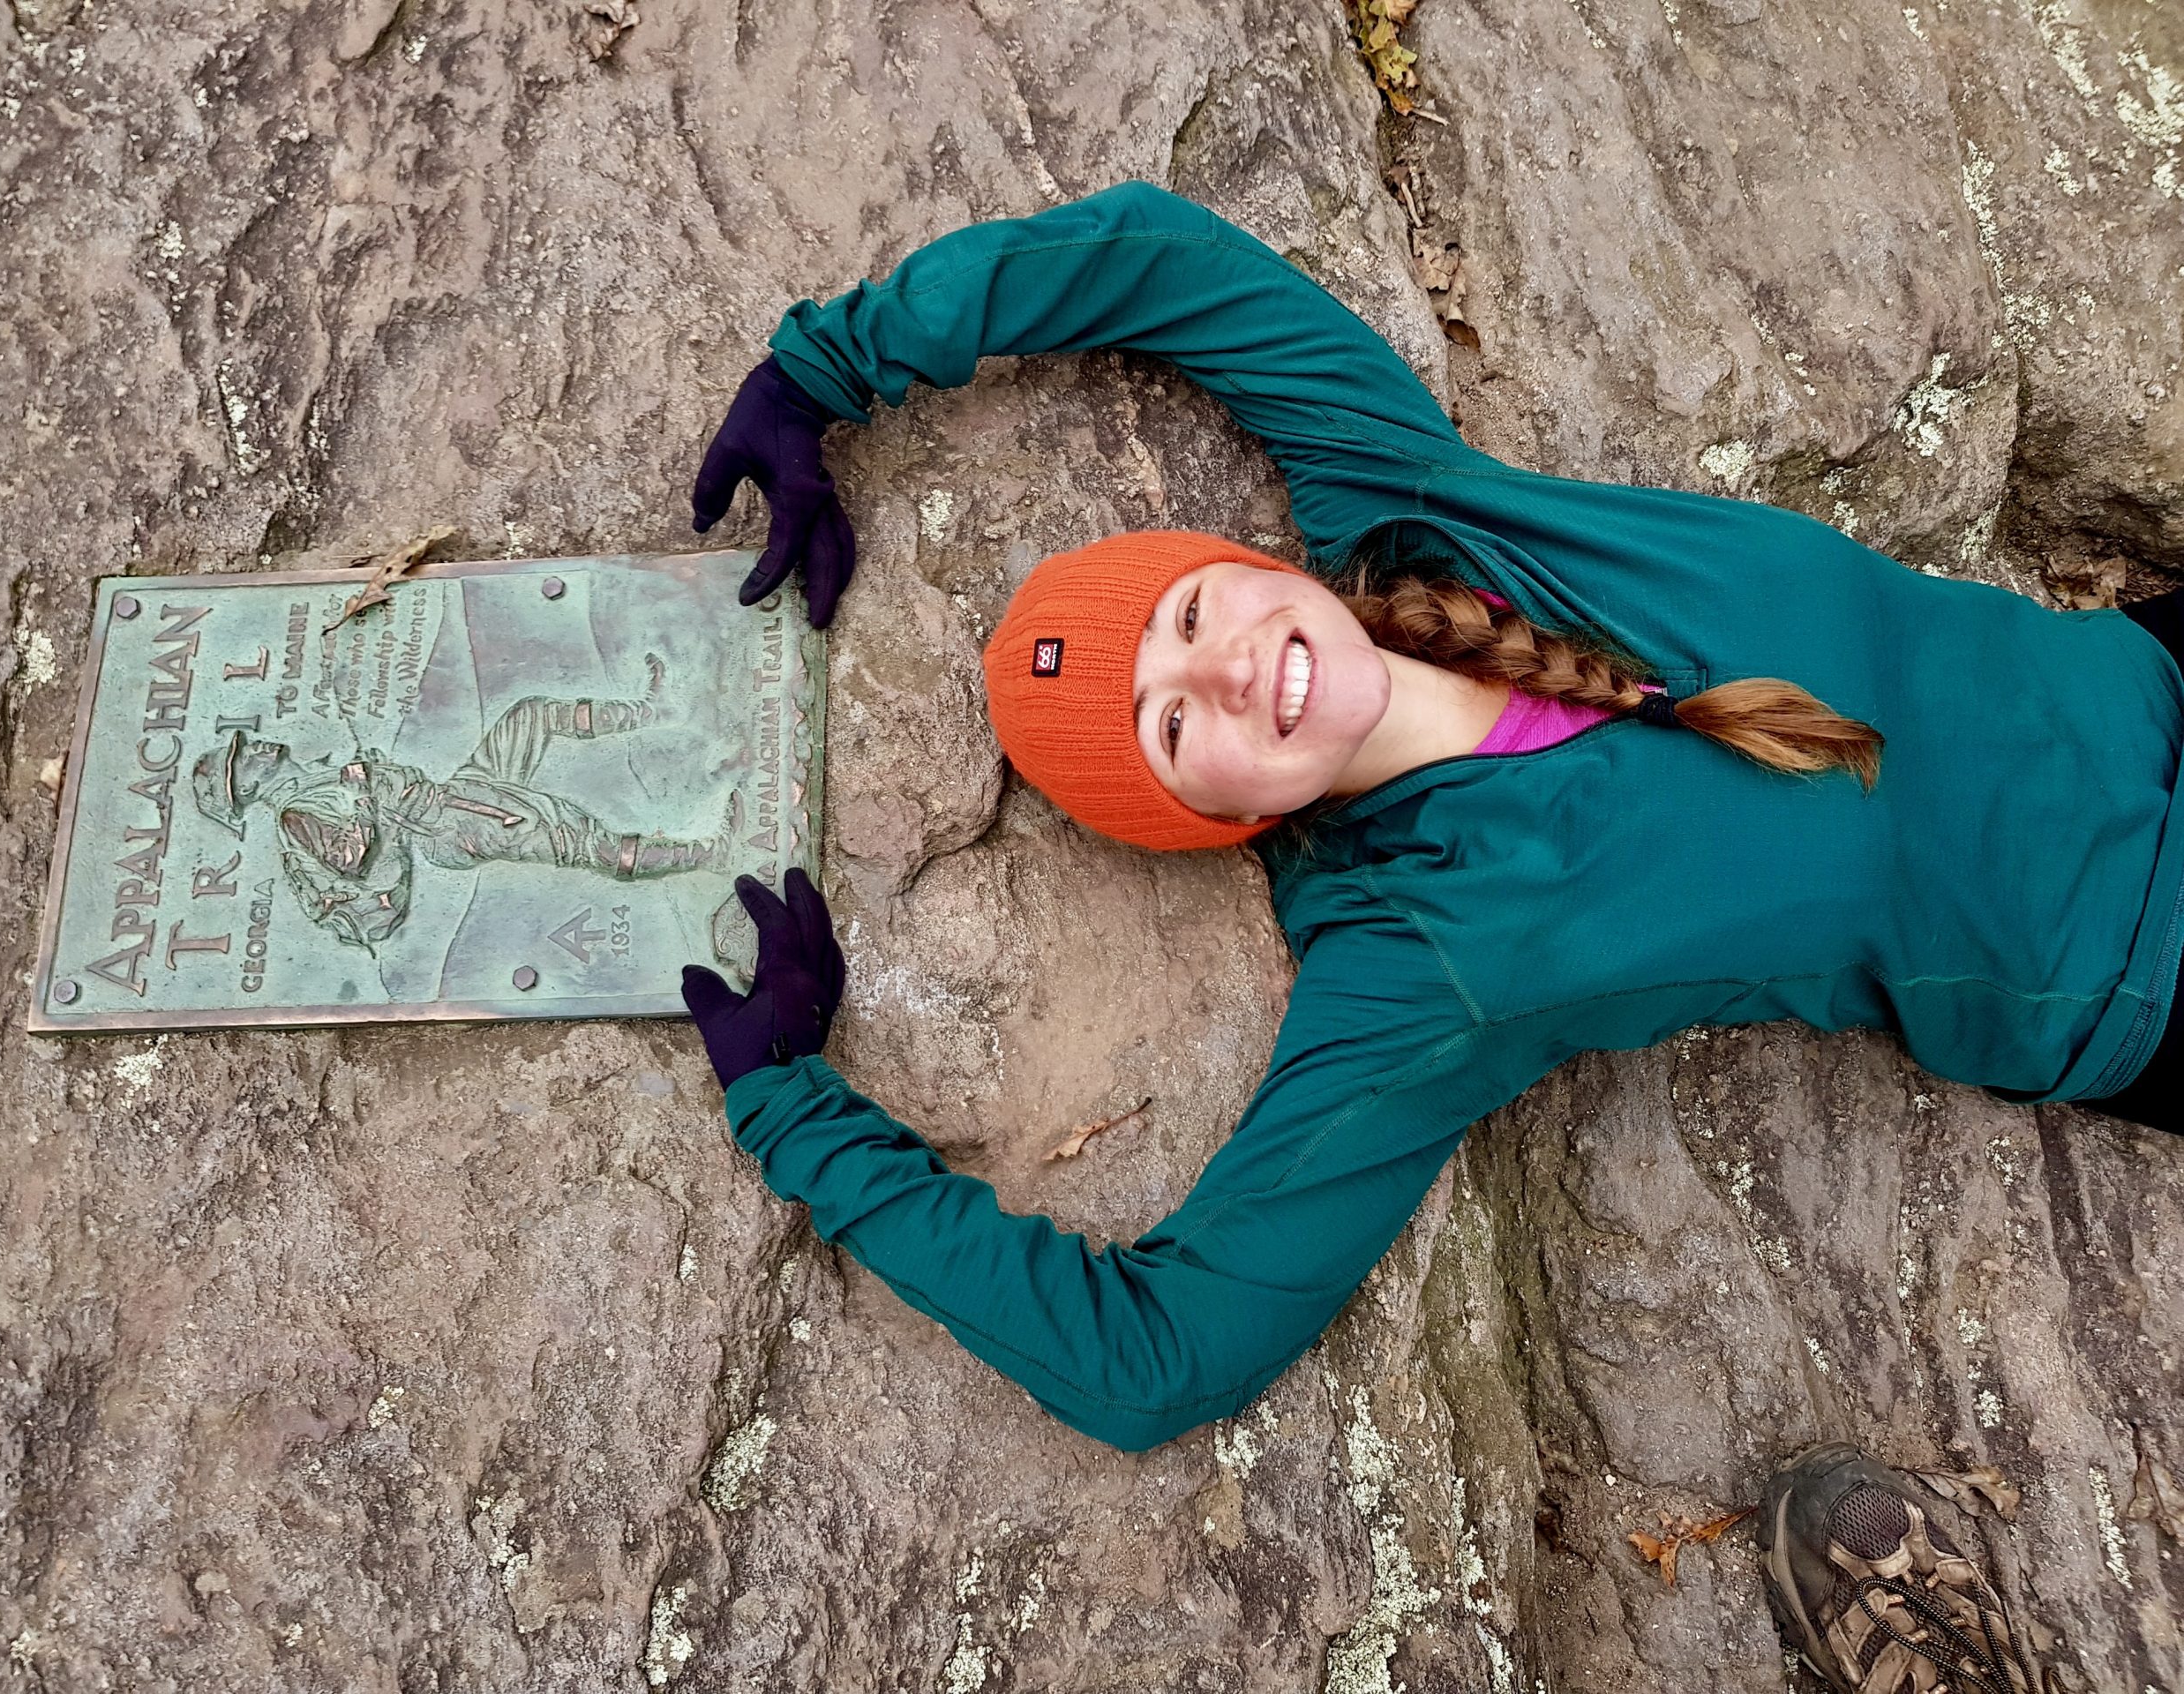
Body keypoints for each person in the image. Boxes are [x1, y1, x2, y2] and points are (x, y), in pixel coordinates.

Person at [676, 181, 2184, 1476]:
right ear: (1204, 819)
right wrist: (799, 1115)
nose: (1220, 668)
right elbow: (1162, 1360)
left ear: (1246, 568)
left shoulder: (1413, 499)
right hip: (2149, 958)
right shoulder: (1420, 967)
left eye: (1187, 613)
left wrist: (827, 367)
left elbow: (1158, 256)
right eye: (1172, 724)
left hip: (2153, 674)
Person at [194, 659, 734, 950]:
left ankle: (651, 710)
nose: (254, 747)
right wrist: (362, 790)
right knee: (576, 838)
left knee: (531, 714)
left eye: (245, 747)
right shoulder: (294, 815)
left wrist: (370, 775)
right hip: (450, 826)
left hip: (455, 791)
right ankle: (711, 854)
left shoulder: (313, 781)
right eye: (243, 759)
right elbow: (351, 857)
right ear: (246, 789)